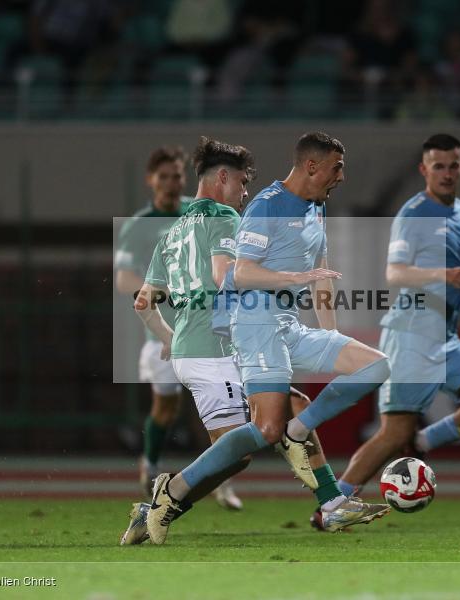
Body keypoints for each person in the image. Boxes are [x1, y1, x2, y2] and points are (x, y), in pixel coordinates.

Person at [145, 132, 392, 545]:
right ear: (312, 166)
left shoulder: (317, 208)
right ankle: (174, 492)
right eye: (337, 167)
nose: (342, 177)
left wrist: (330, 336)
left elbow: (322, 275)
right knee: (266, 430)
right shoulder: (266, 206)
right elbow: (238, 274)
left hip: (287, 326)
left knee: (375, 365)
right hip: (254, 325)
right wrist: (290, 278)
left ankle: (319, 486)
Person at [318, 133, 460, 525]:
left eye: (453, 165)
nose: (446, 173)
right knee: (392, 435)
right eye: (438, 166)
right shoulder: (414, 214)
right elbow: (395, 273)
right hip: (410, 333)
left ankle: (423, 443)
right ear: (424, 170)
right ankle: (331, 506)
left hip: (444, 336)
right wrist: (444, 274)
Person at [114, 146, 240, 509]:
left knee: (218, 413)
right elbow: (125, 280)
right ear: (150, 180)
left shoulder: (196, 212)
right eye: (164, 176)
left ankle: (223, 482)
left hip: (205, 330)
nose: (171, 183)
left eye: (177, 176)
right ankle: (151, 466)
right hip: (162, 333)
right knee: (166, 409)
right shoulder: (141, 224)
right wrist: (172, 287)